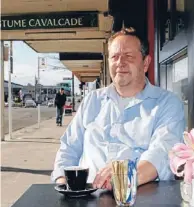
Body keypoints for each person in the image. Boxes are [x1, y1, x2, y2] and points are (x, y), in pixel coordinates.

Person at [51, 27, 186, 190]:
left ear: (145, 63)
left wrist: (122, 175)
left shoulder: (167, 103)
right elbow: (69, 148)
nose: (120, 63)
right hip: (87, 202)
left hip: (142, 203)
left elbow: (162, 153)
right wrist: (62, 183)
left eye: (128, 56)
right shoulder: (92, 101)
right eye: (114, 57)